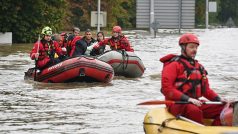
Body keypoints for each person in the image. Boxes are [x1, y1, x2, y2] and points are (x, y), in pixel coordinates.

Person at [160, 33, 230, 126]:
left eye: (196, 47)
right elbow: (167, 89)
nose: (194, 50)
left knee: (226, 109)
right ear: (183, 47)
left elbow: (206, 91)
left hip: (195, 102)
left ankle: (215, 130)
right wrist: (188, 99)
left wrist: (219, 99)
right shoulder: (173, 65)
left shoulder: (199, 67)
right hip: (177, 103)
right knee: (194, 111)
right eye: (191, 47)